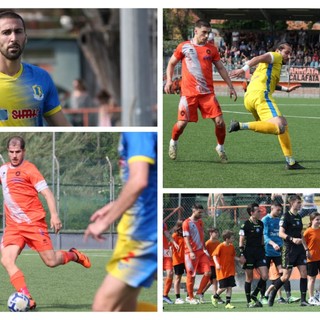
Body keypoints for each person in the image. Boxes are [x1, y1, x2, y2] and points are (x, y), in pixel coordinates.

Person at [0, 136, 91, 310]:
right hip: (13, 227)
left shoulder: (30, 169)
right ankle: (27, 297)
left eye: (17, 152)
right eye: (11, 152)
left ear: (24, 151)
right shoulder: (3, 170)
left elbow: (48, 194)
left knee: (51, 261)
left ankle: (74, 255)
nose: (14, 156)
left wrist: (54, 215)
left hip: (34, 224)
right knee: (6, 260)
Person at [84, 132, 157, 311]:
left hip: (143, 234)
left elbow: (139, 181)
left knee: (103, 307)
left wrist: (106, 221)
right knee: (123, 309)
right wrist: (117, 204)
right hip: (139, 230)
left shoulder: (138, 128)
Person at [164, 19, 237, 163]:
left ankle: (220, 148)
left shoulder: (212, 49)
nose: (206, 36)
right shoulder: (183, 47)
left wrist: (230, 86)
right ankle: (173, 142)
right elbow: (171, 63)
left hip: (207, 94)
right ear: (195, 31)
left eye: (208, 33)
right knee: (181, 124)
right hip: (188, 94)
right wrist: (169, 80)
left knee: (220, 122)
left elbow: (221, 68)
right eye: (204, 32)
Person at [229, 42, 303, 170]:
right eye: (286, 52)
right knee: (280, 127)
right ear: (278, 51)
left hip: (249, 98)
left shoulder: (271, 66)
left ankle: (291, 161)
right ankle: (240, 125)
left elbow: (272, 84)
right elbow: (257, 58)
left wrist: (287, 90)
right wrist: (243, 69)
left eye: (290, 53)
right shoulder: (275, 56)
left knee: (282, 123)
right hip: (261, 96)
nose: (288, 56)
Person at [0, 11, 71, 126]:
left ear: (25, 38)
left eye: (18, 32)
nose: (13, 38)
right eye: (6, 32)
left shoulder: (41, 77)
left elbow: (64, 128)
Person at [268, 194, 311, 307]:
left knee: (304, 272)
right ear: (292, 203)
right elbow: (280, 233)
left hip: (300, 249)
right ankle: (273, 293)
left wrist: (306, 248)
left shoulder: (298, 217)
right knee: (286, 276)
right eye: (298, 202)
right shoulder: (285, 216)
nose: (300, 204)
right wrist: (292, 239)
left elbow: (300, 234)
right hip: (289, 249)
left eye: (300, 202)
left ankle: (303, 300)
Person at [261, 200, 299, 304]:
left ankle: (288, 296)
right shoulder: (265, 220)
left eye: (280, 210)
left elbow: (282, 233)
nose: (279, 212)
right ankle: (263, 296)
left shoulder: (279, 220)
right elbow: (265, 235)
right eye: (278, 210)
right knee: (264, 276)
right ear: (272, 208)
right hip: (268, 251)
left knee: (284, 273)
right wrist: (273, 244)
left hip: (279, 251)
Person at [239, 203, 268, 308]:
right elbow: (241, 240)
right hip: (249, 253)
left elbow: (262, 237)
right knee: (249, 278)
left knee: (265, 276)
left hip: (260, 252)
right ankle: (249, 301)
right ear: (251, 212)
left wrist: (263, 248)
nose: (260, 212)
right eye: (257, 211)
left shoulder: (261, 223)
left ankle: (254, 294)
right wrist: (242, 254)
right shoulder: (245, 225)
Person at [182, 203, 211, 305]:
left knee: (208, 272)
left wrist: (205, 249)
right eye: (199, 212)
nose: (201, 214)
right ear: (194, 210)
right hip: (190, 253)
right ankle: (190, 297)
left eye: (202, 212)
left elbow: (202, 236)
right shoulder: (186, 223)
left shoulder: (200, 222)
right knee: (191, 275)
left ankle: (199, 292)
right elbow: (186, 238)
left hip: (201, 252)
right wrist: (190, 251)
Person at [211, 230, 241, 309]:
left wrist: (239, 259)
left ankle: (228, 304)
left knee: (230, 287)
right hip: (222, 271)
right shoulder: (221, 246)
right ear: (227, 239)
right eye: (232, 238)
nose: (233, 239)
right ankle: (215, 296)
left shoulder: (231, 246)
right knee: (223, 287)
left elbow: (233, 256)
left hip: (230, 270)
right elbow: (214, 255)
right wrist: (217, 264)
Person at [303, 211, 320, 305]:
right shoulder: (308, 231)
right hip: (311, 258)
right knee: (312, 279)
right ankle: (311, 297)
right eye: (317, 219)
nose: (319, 221)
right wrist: (306, 251)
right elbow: (303, 241)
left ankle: (318, 294)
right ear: (312, 220)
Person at [163, 222, 178, 304]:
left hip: (165, 250)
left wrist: (174, 243)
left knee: (170, 272)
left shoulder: (163, 223)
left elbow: (167, 234)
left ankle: (165, 295)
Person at [171, 220, 186, 304]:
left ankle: (189, 296)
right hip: (178, 260)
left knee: (189, 277)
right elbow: (171, 247)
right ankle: (177, 298)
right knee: (178, 278)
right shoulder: (175, 235)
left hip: (186, 259)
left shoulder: (185, 235)